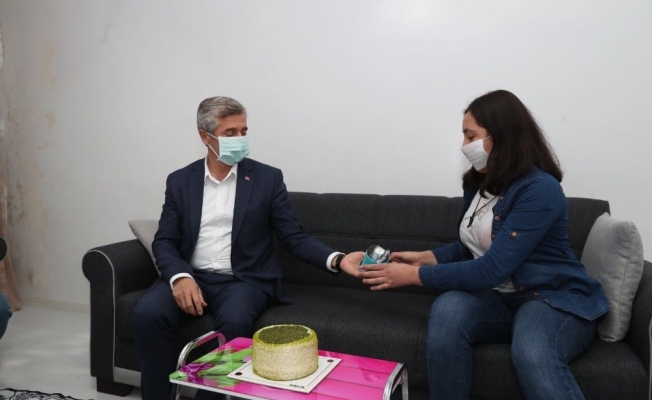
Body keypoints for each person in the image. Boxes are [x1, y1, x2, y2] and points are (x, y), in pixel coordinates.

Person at [359, 90, 608, 400]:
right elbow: (472, 248)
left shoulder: (539, 189)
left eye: (471, 136)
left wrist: (413, 276)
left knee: (532, 351)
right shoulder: (479, 183)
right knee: (448, 311)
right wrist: (426, 258)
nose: (464, 146)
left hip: (551, 298)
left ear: (501, 135)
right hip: (499, 297)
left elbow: (491, 269)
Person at [133, 96, 362, 400]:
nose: (240, 139)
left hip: (242, 280)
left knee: (235, 321)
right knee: (147, 313)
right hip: (192, 275)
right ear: (205, 137)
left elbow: (293, 237)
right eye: (230, 133)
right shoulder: (180, 181)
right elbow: (165, 240)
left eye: (243, 131)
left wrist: (338, 259)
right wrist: (179, 277)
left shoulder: (267, 179)